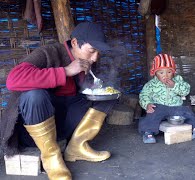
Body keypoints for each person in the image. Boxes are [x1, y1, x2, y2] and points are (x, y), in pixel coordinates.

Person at [0, 22, 117, 179]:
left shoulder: (89, 63)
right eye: (92, 51)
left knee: (107, 94)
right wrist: (66, 71)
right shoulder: (48, 53)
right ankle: (51, 158)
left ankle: (77, 146)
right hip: (33, 133)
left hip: (61, 129)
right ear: (75, 43)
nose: (95, 58)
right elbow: (13, 80)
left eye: (98, 52)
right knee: (34, 95)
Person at [138, 53, 195, 144]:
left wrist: (175, 86)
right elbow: (144, 95)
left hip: (176, 107)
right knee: (152, 114)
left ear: (173, 72)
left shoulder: (178, 80)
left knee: (187, 112)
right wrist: (147, 104)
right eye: (161, 72)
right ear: (155, 73)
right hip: (159, 107)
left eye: (169, 72)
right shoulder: (151, 84)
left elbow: (186, 90)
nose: (166, 75)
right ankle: (148, 133)